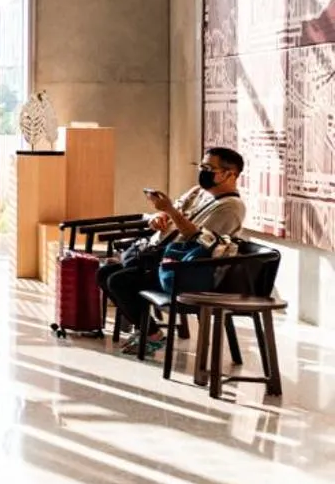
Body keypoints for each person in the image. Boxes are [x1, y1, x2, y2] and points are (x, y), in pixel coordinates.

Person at [100, 146, 248, 347]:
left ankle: (152, 336)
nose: (203, 172)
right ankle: (144, 328)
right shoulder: (199, 192)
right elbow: (174, 212)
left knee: (119, 280)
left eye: (209, 168)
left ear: (231, 175)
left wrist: (169, 210)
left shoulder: (231, 207)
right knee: (104, 273)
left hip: (186, 269)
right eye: (201, 166)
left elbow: (200, 241)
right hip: (164, 257)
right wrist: (159, 216)